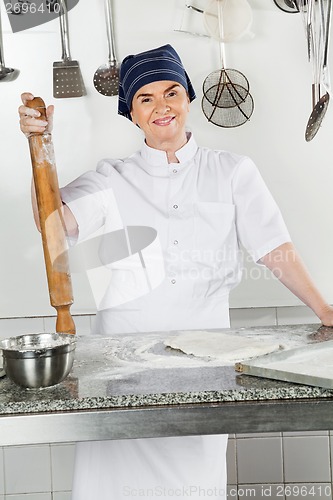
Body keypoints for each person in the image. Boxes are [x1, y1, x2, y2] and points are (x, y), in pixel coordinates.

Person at [19, 44, 333, 500]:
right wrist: (40, 147)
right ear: (132, 113)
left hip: (206, 364)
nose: (162, 107)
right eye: (146, 99)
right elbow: (54, 223)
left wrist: (325, 309)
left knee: (193, 486)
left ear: (187, 97)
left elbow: (273, 249)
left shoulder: (231, 171)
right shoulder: (111, 178)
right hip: (119, 368)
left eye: (171, 92)